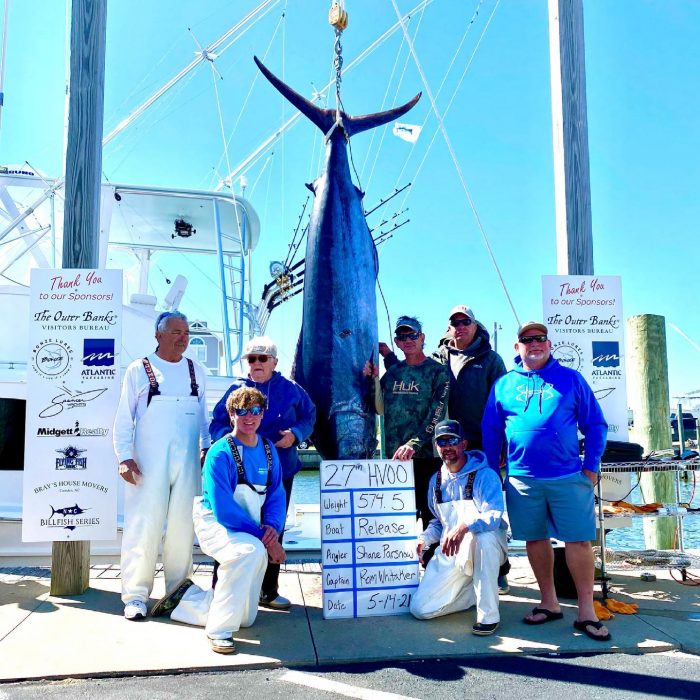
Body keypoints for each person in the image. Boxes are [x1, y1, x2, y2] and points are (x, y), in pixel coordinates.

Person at [482, 321, 610, 641]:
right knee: (535, 540)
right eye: (527, 339)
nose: (534, 343)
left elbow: (596, 424)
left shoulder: (571, 379)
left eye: (540, 338)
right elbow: (491, 430)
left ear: (549, 344)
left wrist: (591, 466)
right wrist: (490, 469)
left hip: (568, 476)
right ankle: (549, 603)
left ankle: (585, 611)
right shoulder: (504, 385)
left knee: (579, 541)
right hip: (522, 479)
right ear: (517, 347)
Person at [382, 305, 509, 590]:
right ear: (447, 328)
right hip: (446, 446)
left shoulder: (490, 360)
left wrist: (501, 443)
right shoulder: (439, 357)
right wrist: (388, 356)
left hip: (480, 442)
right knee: (444, 509)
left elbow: (502, 404)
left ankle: (498, 566)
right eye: (455, 322)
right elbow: (411, 372)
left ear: (475, 326)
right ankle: (445, 567)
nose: (460, 326)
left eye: (466, 322)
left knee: (485, 506)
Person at [151, 387, 287, 654]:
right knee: (247, 552)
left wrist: (272, 529)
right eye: (241, 411)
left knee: (246, 619)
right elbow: (224, 510)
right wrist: (264, 537)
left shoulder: (269, 450)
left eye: (255, 411)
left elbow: (276, 494)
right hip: (216, 523)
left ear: (263, 414)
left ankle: (187, 598)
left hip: (251, 528)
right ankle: (219, 632)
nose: (249, 417)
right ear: (231, 414)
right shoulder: (219, 453)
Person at [113, 311, 211, 621]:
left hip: (188, 461)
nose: (183, 338)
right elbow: (124, 419)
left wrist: (207, 449)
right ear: (158, 335)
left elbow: (203, 417)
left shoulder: (197, 371)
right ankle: (136, 596)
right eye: (176, 332)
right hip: (147, 463)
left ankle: (177, 591)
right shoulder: (138, 370)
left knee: (183, 528)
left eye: (186, 332)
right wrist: (124, 458)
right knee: (144, 525)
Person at [209, 336, 315, 610]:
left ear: (274, 362)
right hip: (241, 475)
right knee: (231, 529)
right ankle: (220, 591)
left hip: (280, 469)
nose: (256, 363)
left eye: (262, 358)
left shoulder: (291, 389)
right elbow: (217, 422)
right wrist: (232, 445)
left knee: (274, 526)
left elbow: (310, 416)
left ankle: (268, 590)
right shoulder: (236, 389)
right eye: (251, 359)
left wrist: (296, 434)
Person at [409, 420, 508, 636]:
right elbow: (437, 522)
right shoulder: (435, 481)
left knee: (484, 538)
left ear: (463, 443)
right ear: (436, 447)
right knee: (420, 609)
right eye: (441, 442)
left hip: (484, 547)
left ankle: (488, 615)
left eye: (452, 440)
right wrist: (423, 539)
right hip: (451, 553)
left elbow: (493, 516)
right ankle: (473, 593)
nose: (447, 447)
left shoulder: (486, 475)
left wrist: (464, 527)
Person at [365, 315, 449, 528]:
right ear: (397, 342)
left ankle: (432, 561)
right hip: (395, 461)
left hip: (428, 460)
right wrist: (371, 379)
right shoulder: (393, 373)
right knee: (399, 525)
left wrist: (414, 444)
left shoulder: (438, 372)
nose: (408, 340)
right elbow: (377, 405)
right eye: (402, 336)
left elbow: (437, 414)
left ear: (422, 337)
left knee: (432, 523)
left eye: (412, 335)